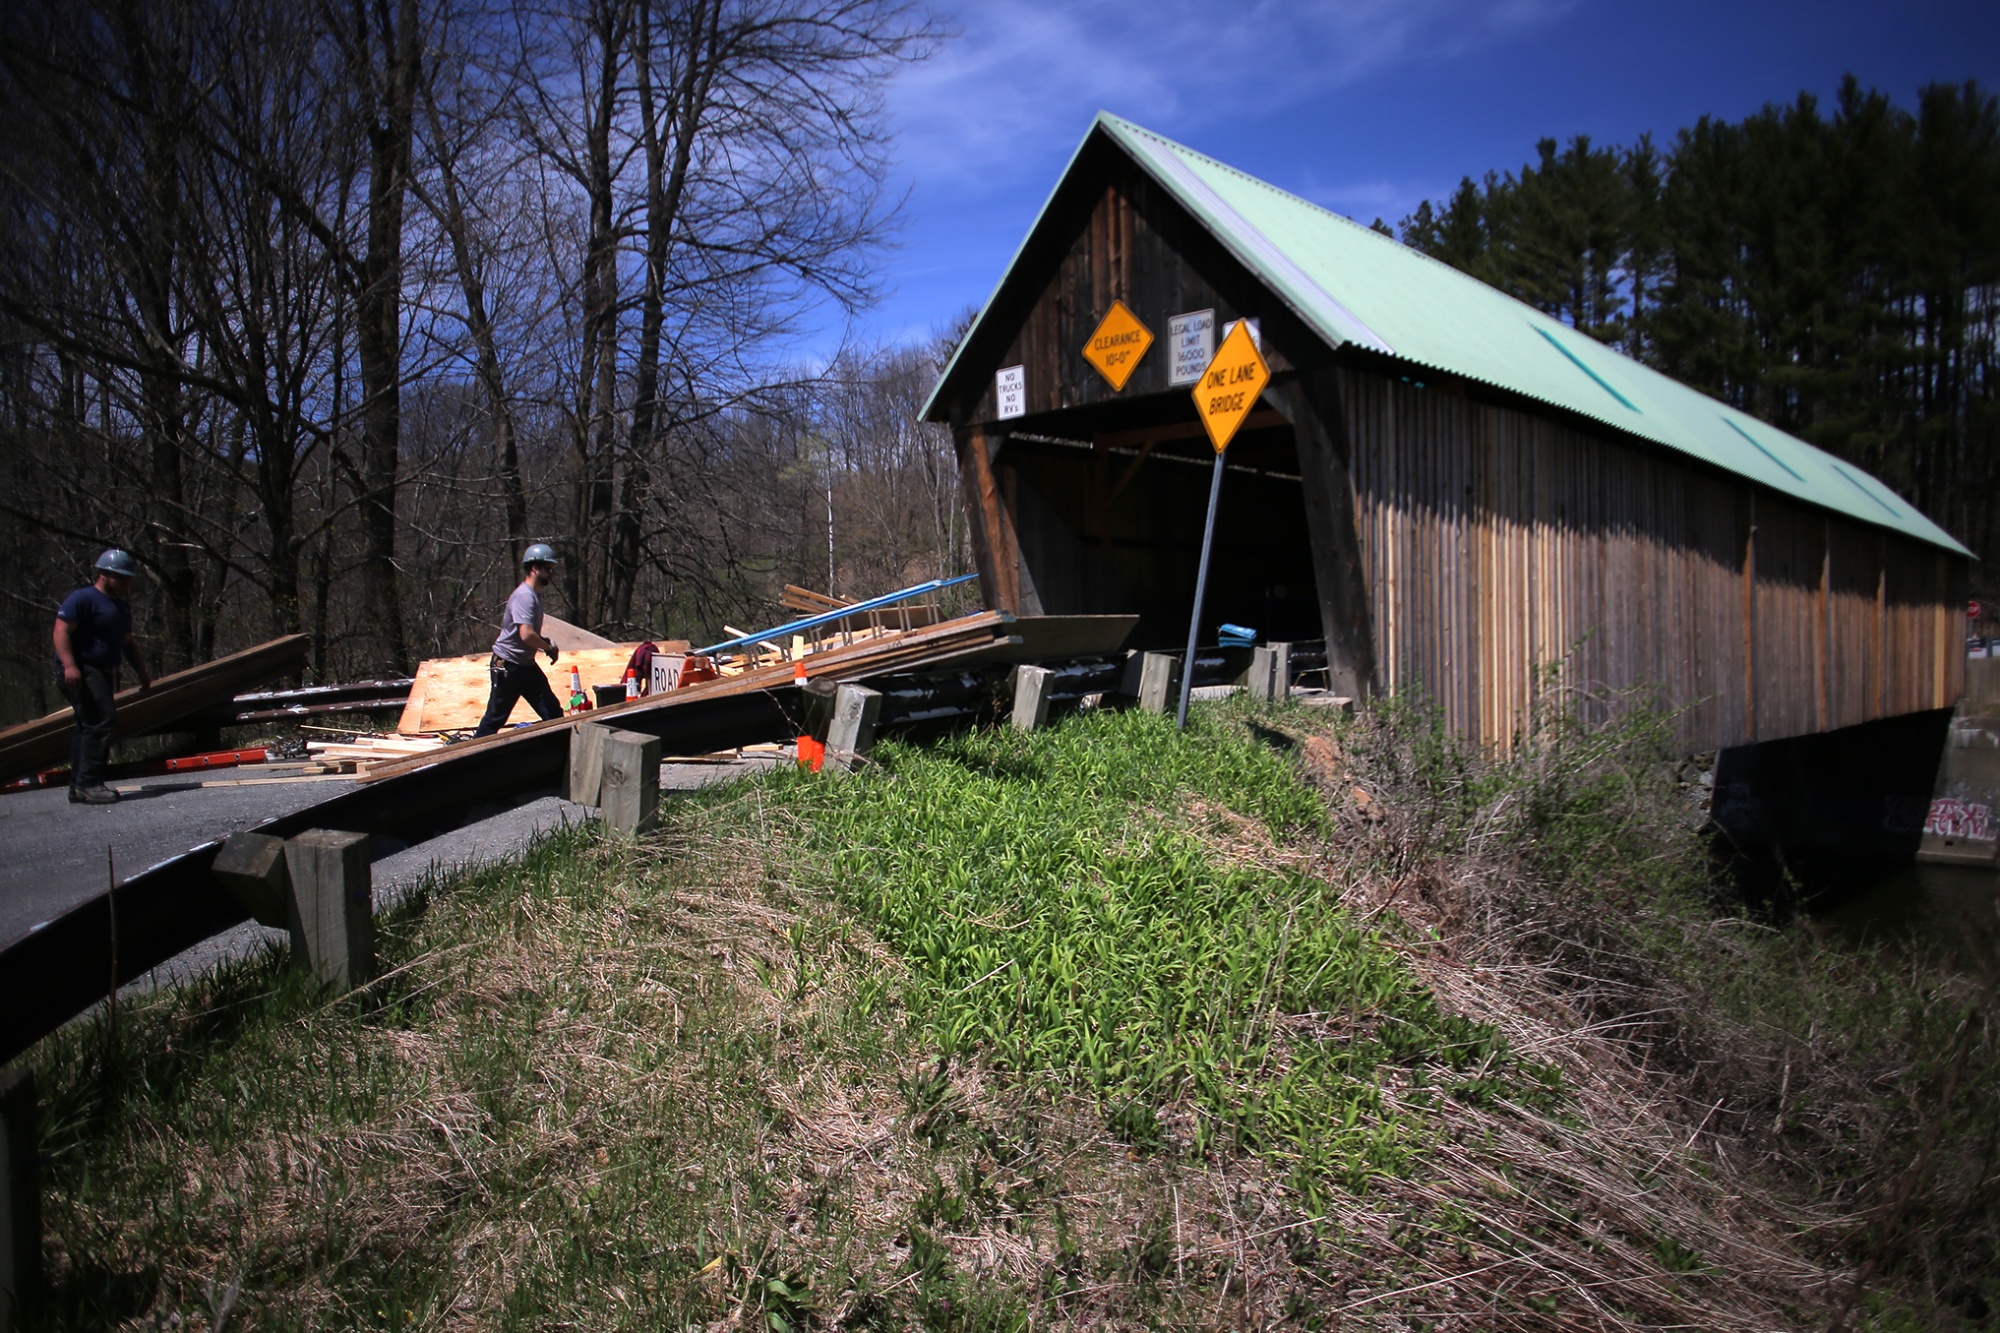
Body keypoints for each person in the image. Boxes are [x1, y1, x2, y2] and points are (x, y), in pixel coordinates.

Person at [53, 548, 153, 804]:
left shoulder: (120, 607)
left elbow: (127, 642)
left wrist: (141, 670)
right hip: (83, 668)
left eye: (129, 579)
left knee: (87, 725)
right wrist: (69, 666)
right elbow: (61, 631)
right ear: (104, 575)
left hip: (102, 670)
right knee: (101, 720)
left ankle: (78, 786)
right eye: (121, 578)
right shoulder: (83, 599)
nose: (126, 583)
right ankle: (89, 783)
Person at [472, 544, 565, 737]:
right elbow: (526, 634)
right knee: (495, 718)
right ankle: (468, 758)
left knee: (553, 712)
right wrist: (547, 647)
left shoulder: (534, 596)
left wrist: (543, 641)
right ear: (534, 568)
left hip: (525, 665)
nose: (551, 574)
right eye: (548, 569)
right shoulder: (524, 596)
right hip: (509, 666)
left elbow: (528, 635)